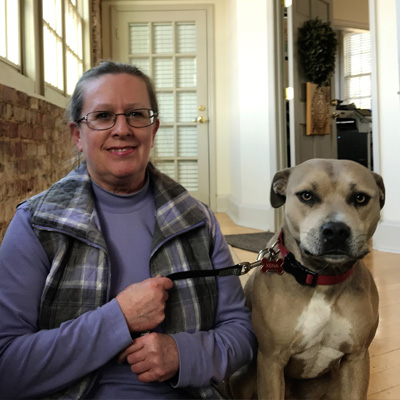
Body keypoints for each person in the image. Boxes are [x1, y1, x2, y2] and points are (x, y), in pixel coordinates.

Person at [0, 61, 257, 399]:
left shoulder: (197, 221)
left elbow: (241, 333)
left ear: (153, 129)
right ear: (77, 135)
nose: (122, 129)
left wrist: (183, 354)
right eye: (103, 116)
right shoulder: (36, 224)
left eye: (136, 115)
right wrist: (117, 319)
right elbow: (7, 368)